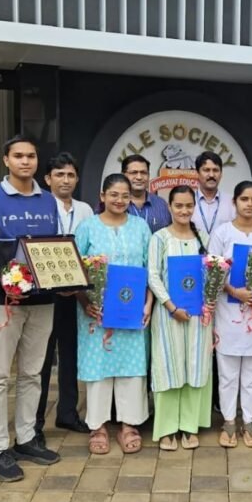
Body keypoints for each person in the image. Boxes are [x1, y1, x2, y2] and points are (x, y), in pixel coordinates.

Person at [0, 135, 61, 482]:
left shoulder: (48, 201)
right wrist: (1, 282)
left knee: (33, 374)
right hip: (4, 304)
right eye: (18, 156)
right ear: (6, 160)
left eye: (31, 156)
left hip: (42, 303)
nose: (26, 161)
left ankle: (25, 438)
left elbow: (52, 252)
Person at [75, 174, 153, 455]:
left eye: (125, 195)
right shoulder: (88, 228)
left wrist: (148, 304)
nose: (119, 200)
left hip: (133, 312)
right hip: (95, 313)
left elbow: (150, 269)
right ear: (102, 196)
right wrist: (85, 302)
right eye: (114, 195)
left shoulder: (141, 227)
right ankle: (97, 426)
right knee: (98, 368)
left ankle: (129, 424)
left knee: (131, 367)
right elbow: (76, 272)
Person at [207, 181, 252, 448]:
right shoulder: (222, 233)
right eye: (244, 199)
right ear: (234, 202)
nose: (249, 204)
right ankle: (228, 422)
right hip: (228, 311)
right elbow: (212, 272)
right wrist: (234, 291)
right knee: (227, 373)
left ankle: (249, 421)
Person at [147, 186, 215, 450]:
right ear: (170, 207)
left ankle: (190, 425)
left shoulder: (203, 237)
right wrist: (171, 306)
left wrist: (209, 301)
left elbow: (213, 272)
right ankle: (166, 429)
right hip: (168, 315)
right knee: (168, 367)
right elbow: (153, 275)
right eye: (178, 206)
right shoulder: (160, 238)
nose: (184, 211)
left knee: (195, 367)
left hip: (199, 316)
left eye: (189, 206)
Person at [34, 152, 93, 439]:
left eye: (70, 175)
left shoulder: (85, 211)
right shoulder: (39, 207)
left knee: (70, 355)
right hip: (44, 294)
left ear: (77, 178)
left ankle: (67, 414)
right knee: (41, 360)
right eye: (59, 175)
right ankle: (34, 422)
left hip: (75, 294)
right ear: (47, 179)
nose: (65, 180)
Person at [122, 154, 173, 233]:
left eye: (143, 173)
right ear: (123, 176)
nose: (139, 177)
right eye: (134, 173)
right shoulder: (115, 204)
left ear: (148, 175)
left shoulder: (161, 204)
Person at [192, 150, 236, 236]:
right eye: (206, 170)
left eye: (215, 170)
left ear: (221, 174)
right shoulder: (188, 201)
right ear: (197, 173)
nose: (211, 175)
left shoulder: (232, 202)